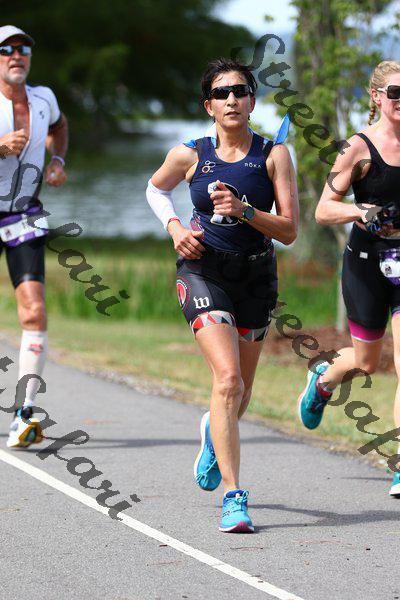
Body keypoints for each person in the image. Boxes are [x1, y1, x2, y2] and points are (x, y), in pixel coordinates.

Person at [147, 58, 298, 532]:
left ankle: (214, 433)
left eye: (240, 91)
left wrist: (245, 210)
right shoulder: (189, 154)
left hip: (255, 276)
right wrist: (175, 228)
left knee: (241, 391)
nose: (231, 99)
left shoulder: (274, 156)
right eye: (221, 93)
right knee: (228, 380)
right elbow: (155, 190)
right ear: (208, 105)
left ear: (252, 101)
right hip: (203, 271)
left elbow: (289, 231)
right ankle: (235, 496)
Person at [298, 60, 400, 497]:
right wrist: (361, 211)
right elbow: (323, 209)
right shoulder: (357, 149)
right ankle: (323, 380)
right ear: (376, 97)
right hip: (366, 265)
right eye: (395, 93)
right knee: (366, 362)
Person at [0, 26, 68, 448]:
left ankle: (24, 414)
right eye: (6, 49)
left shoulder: (44, 98)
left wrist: (57, 159)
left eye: (23, 48)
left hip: (23, 213)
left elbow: (60, 126)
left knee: (35, 311)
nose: (16, 55)